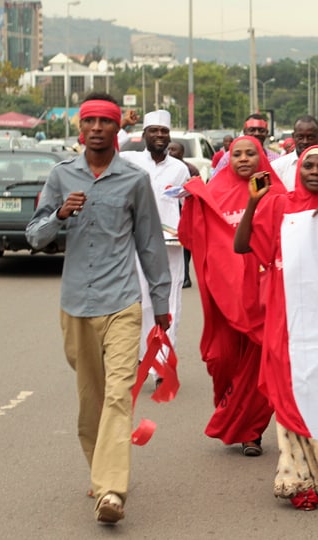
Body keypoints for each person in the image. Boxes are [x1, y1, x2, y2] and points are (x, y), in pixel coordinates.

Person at [26, 92, 171, 525]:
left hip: (122, 301)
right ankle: (100, 468)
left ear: (116, 129)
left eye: (104, 121)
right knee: (90, 398)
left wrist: (160, 302)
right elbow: (35, 237)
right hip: (75, 305)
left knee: (117, 395)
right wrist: (60, 217)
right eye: (88, 120)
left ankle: (110, 490)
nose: (95, 128)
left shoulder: (133, 179)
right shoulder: (60, 176)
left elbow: (149, 242)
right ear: (80, 128)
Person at [234, 144, 318, 510]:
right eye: (308, 165)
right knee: (288, 387)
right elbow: (241, 244)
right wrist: (253, 202)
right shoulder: (278, 204)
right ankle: (299, 475)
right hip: (285, 312)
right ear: (298, 169)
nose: (315, 172)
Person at [178, 136, 286, 457]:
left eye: (250, 153)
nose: (243, 159)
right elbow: (191, 237)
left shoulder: (277, 193)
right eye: (236, 154)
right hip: (224, 299)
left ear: (261, 157)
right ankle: (231, 412)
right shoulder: (214, 194)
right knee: (222, 359)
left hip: (262, 298)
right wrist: (192, 204)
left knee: (258, 367)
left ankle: (251, 432)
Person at [119, 110, 190, 388]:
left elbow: (188, 207)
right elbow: (111, 148)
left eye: (164, 131)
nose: (159, 135)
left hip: (171, 247)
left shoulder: (180, 169)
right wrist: (124, 125)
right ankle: (141, 357)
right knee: (142, 303)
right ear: (145, 135)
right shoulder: (131, 161)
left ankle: (162, 365)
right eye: (154, 131)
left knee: (170, 303)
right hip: (137, 244)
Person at [167, 141, 200, 289]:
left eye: (174, 150)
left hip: (184, 212)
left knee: (185, 248)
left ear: (181, 152)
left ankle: (185, 277)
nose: (170, 152)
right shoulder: (166, 168)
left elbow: (196, 190)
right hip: (169, 212)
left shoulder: (190, 169)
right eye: (169, 149)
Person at [209, 114, 278, 177]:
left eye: (261, 130)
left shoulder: (276, 159)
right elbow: (215, 182)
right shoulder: (228, 158)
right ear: (245, 132)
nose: (257, 133)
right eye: (252, 130)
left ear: (266, 133)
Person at [271, 115, 318, 190]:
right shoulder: (277, 167)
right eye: (300, 137)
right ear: (293, 136)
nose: (305, 142)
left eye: (310, 137)